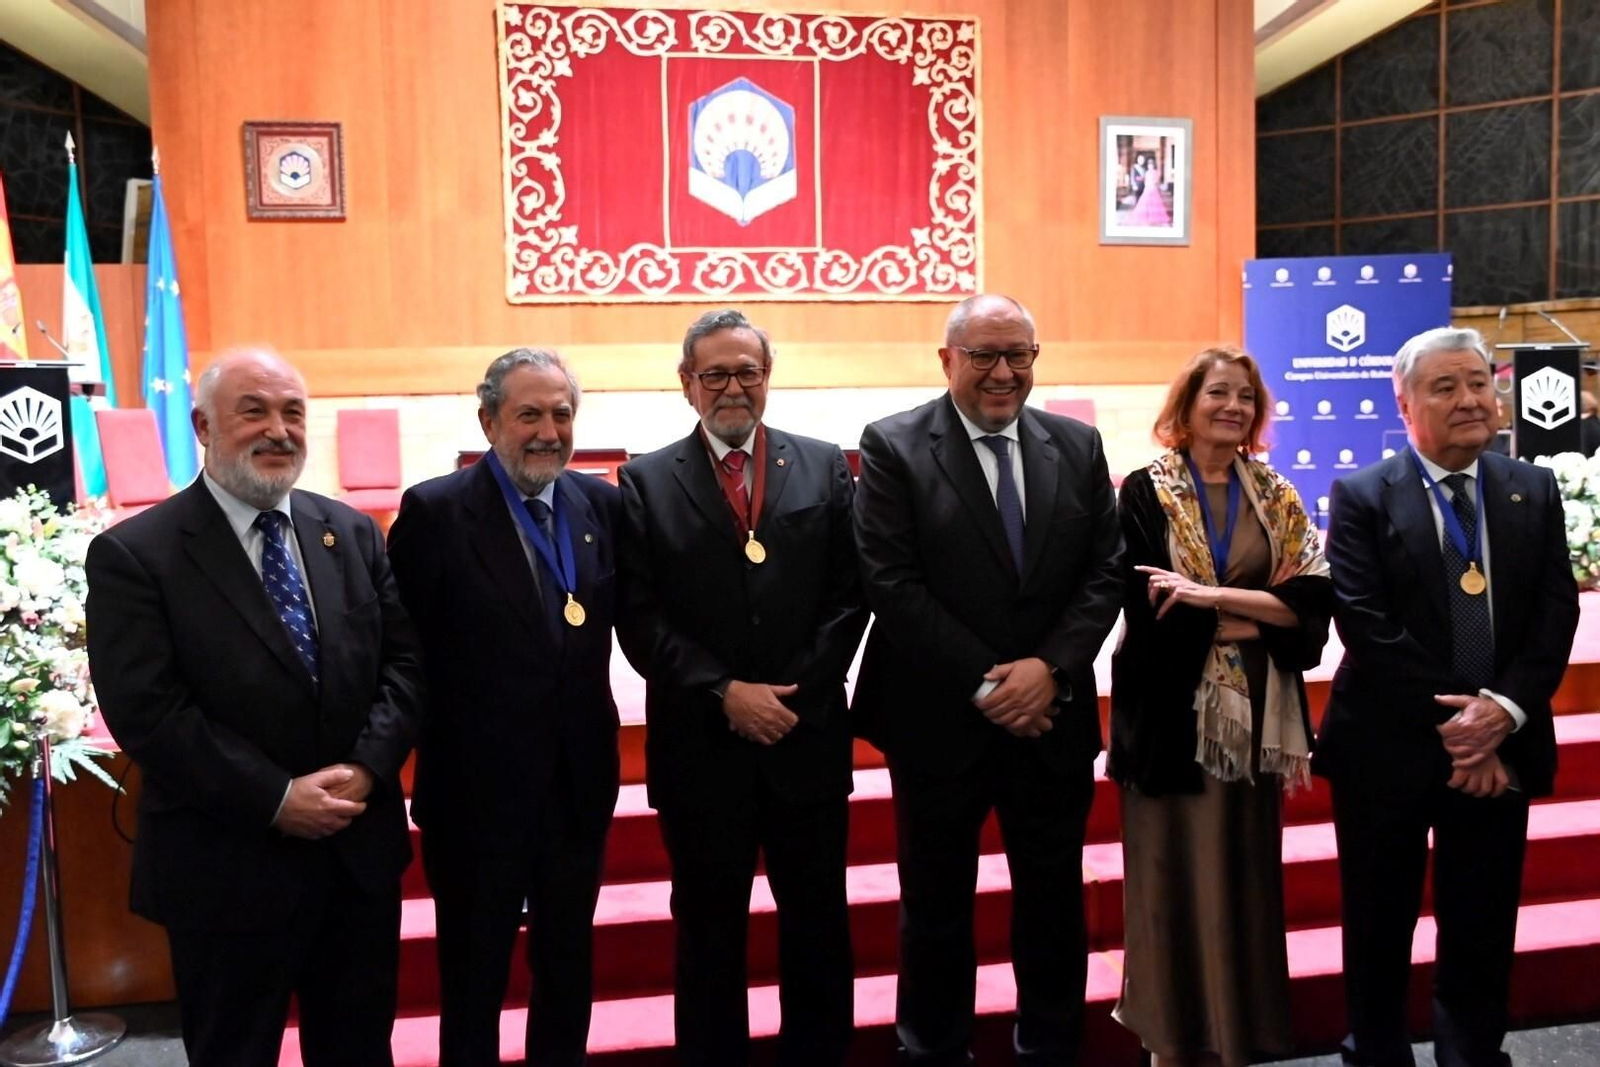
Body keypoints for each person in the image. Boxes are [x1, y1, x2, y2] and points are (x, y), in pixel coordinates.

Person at [84, 348, 425, 1067]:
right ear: (204, 425)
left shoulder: (351, 531)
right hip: (227, 867)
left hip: (354, 856)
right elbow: (148, 712)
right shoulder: (137, 554)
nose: (279, 429)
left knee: (362, 1049)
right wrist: (276, 796)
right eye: (255, 411)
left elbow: (404, 665)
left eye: (293, 412)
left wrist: (365, 769)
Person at [852, 293, 1124, 1065]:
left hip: (1053, 717)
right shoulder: (895, 445)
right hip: (939, 720)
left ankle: (1049, 1044)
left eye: (1020, 355)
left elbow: (1104, 571)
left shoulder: (1076, 445)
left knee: (1053, 902)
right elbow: (891, 583)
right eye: (985, 355)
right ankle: (934, 1048)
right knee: (935, 907)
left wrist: (1050, 670)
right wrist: (992, 684)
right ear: (947, 360)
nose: (1004, 372)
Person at [1317, 326, 1579, 1066]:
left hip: (1501, 745)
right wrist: (1468, 725)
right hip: (1388, 749)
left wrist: (1503, 715)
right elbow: (1365, 625)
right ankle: (1377, 1052)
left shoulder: (1533, 486)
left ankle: (1471, 1053)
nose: (1469, 399)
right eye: (1445, 386)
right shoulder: (1364, 493)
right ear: (1404, 403)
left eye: (1477, 382)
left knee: (1482, 922)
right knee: (1377, 920)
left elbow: (1555, 612)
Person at [616, 308, 867, 1066]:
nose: (733, 387)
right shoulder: (644, 479)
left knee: (819, 928)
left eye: (747, 371)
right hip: (702, 749)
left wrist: (791, 692)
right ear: (687, 382)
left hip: (806, 737)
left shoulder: (825, 465)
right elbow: (639, 615)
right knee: (708, 936)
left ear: (767, 376)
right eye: (716, 373)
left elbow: (851, 594)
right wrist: (726, 690)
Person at [387, 349, 621, 1067]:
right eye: (529, 414)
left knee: (567, 970)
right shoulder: (434, 512)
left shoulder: (600, 502)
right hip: (476, 799)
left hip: (576, 786)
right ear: (489, 420)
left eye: (562, 413)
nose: (549, 430)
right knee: (474, 978)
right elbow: (405, 655)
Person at [1109, 346, 1333, 1067]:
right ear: (1187, 405)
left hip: (1255, 721)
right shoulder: (1144, 490)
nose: (1232, 407)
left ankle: (1239, 1036)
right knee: (1169, 881)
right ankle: (1172, 1041)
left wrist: (1209, 598)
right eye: (1218, 394)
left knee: (1244, 874)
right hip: (1170, 721)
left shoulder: (1276, 494)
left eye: (1245, 397)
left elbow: (1315, 603)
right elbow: (1149, 608)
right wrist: (1258, 616)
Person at [1127, 155, 1171, 226]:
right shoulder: (1145, 171)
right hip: (1146, 188)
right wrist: (1137, 184)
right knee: (1142, 202)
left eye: (1151, 165)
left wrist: (1153, 184)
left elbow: (1156, 181)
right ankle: (1144, 216)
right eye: (1149, 165)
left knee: (1154, 203)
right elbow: (1143, 180)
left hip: (1152, 188)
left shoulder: (1155, 172)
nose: (1150, 166)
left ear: (1153, 165)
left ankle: (1154, 217)